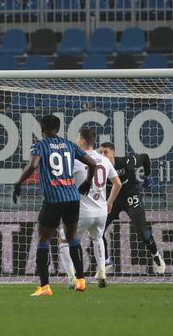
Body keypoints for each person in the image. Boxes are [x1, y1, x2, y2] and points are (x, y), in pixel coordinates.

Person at [13, 115, 97, 297]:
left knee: (43, 240)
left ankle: (44, 287)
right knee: (72, 237)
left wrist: (18, 183)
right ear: (58, 128)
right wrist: (88, 183)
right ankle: (81, 281)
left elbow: (32, 166)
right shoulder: (69, 145)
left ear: (42, 128)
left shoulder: (40, 145)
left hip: (53, 199)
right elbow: (92, 163)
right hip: (72, 197)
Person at [58, 127, 122, 289]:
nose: (76, 140)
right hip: (101, 211)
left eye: (78, 138)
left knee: (64, 238)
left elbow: (62, 180)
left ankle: (72, 277)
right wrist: (110, 202)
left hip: (82, 211)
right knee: (97, 238)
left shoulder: (77, 160)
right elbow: (118, 184)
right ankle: (101, 272)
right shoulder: (105, 160)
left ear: (82, 141)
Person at [99, 142, 166, 274]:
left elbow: (145, 157)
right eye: (100, 152)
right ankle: (107, 261)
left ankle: (156, 256)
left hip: (130, 197)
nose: (103, 155)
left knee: (142, 232)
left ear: (113, 153)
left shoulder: (127, 162)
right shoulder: (98, 167)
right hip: (112, 201)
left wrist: (147, 176)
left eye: (105, 152)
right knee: (97, 231)